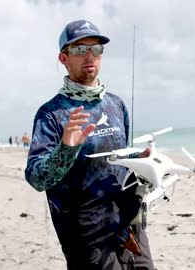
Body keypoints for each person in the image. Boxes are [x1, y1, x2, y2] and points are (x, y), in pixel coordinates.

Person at [24, 19, 154, 270]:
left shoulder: (116, 105)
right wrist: (66, 149)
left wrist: (143, 159)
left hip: (128, 223)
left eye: (96, 49)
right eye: (80, 50)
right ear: (63, 58)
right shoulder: (51, 114)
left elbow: (116, 159)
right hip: (86, 236)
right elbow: (36, 178)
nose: (89, 56)